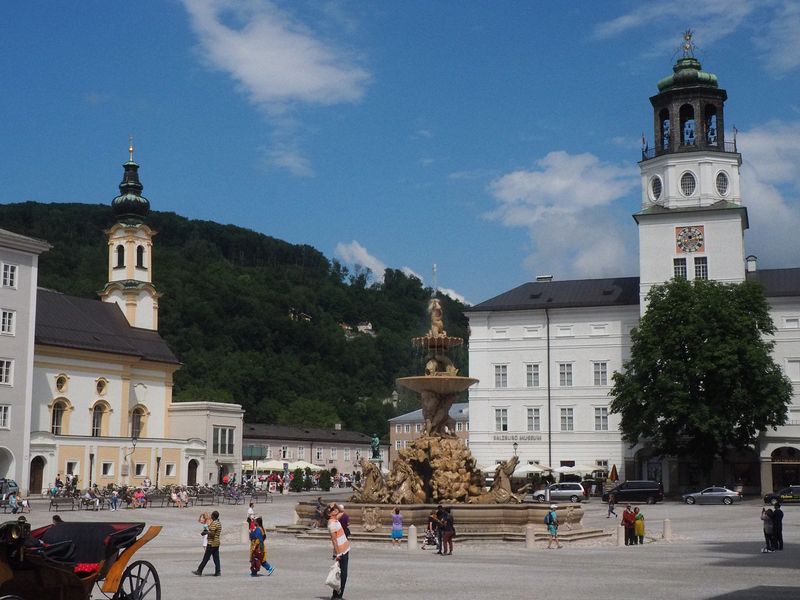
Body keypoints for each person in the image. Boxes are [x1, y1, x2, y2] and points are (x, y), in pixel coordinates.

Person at [326, 503, 350, 600]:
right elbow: (334, 540)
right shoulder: (332, 524)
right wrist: (338, 553)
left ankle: (335, 595)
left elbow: (342, 511)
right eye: (332, 510)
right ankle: (338, 596)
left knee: (340, 573)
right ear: (329, 514)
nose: (335, 510)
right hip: (342, 552)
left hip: (345, 549)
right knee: (343, 574)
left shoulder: (335, 520)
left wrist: (335, 504)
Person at [193, 510, 222, 576]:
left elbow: (212, 533)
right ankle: (218, 571)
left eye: (212, 515)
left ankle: (199, 570)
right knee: (216, 558)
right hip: (217, 542)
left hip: (211, 542)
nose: (211, 516)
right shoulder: (218, 523)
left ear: (214, 516)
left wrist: (205, 532)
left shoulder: (214, 523)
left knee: (206, 557)